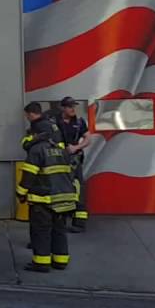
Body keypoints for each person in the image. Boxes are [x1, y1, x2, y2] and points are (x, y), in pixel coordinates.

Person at [18, 104, 77, 273]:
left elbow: (28, 176)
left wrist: (20, 193)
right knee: (59, 230)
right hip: (63, 197)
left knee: (41, 231)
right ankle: (60, 260)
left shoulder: (36, 150)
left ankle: (41, 263)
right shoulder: (62, 152)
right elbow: (70, 174)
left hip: (43, 199)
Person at [52, 97, 94, 233]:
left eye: (73, 107)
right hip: (58, 161)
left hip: (74, 160)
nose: (72, 109)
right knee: (61, 190)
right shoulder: (54, 122)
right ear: (62, 108)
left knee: (79, 189)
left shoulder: (79, 122)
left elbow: (88, 138)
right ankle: (60, 222)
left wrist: (76, 147)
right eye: (69, 107)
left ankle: (79, 222)